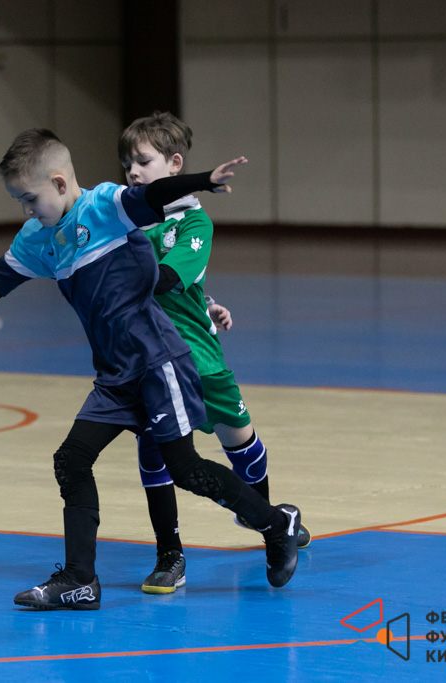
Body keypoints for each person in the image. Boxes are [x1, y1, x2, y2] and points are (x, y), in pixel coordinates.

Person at [0, 128, 302, 610]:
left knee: (186, 469)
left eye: (30, 199)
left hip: (157, 361)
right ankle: (80, 580)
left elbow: (151, 195)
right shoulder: (36, 239)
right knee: (71, 459)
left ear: (60, 183)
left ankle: (275, 525)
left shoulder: (105, 206)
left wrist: (202, 181)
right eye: (19, 201)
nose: (26, 210)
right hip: (114, 375)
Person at [119, 112, 311, 595]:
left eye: (143, 161)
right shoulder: (127, 218)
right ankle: (170, 556)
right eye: (127, 164)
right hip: (149, 360)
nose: (133, 172)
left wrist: (196, 303)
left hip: (199, 361)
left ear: (174, 164)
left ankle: (269, 522)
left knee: (240, 442)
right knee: (153, 452)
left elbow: (166, 279)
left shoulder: (193, 221)